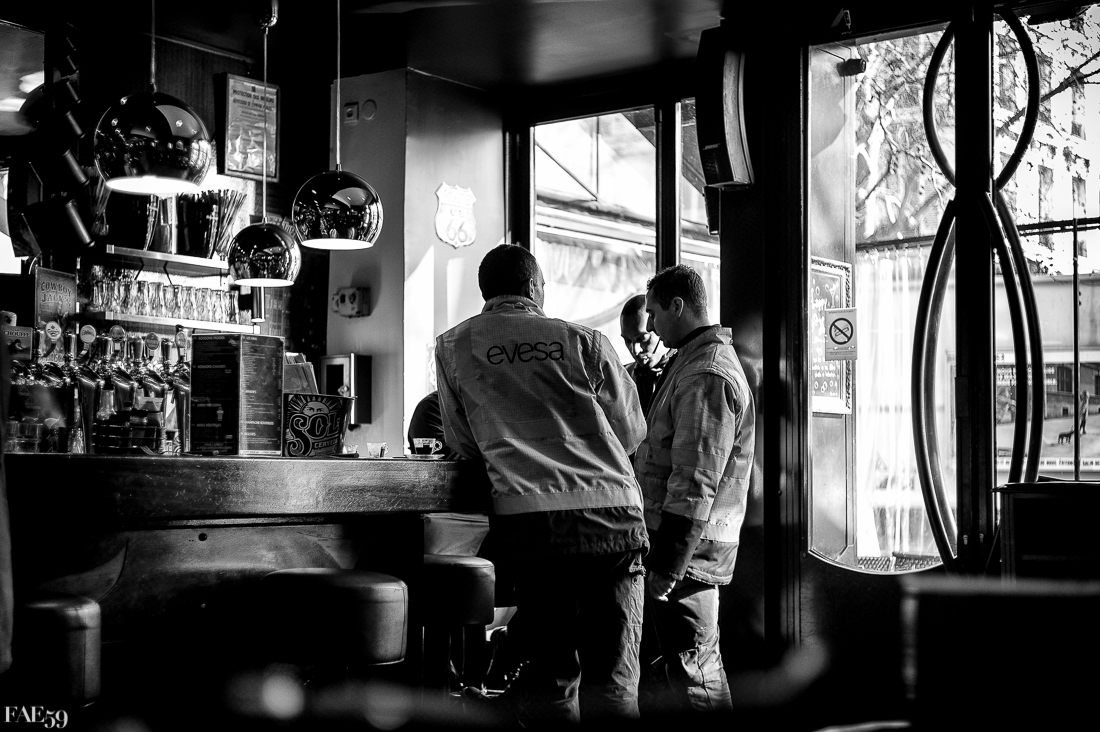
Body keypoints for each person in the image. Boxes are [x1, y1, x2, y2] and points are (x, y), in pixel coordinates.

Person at [434, 243, 649, 723]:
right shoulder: (584, 341)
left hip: (533, 528)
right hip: (612, 521)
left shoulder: (453, 347)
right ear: (533, 287)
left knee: (551, 679)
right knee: (614, 683)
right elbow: (632, 431)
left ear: (486, 291)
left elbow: (463, 444)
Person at [633, 264, 756, 713]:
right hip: (684, 554)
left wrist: (669, 564)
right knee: (682, 669)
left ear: (678, 305)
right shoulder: (691, 362)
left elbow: (695, 479)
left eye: (653, 313)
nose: (650, 325)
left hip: (689, 559)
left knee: (695, 673)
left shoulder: (706, 373)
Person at [620, 294, 671, 417]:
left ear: (659, 329)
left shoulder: (686, 374)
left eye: (642, 339)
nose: (635, 350)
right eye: (627, 340)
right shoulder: (621, 377)